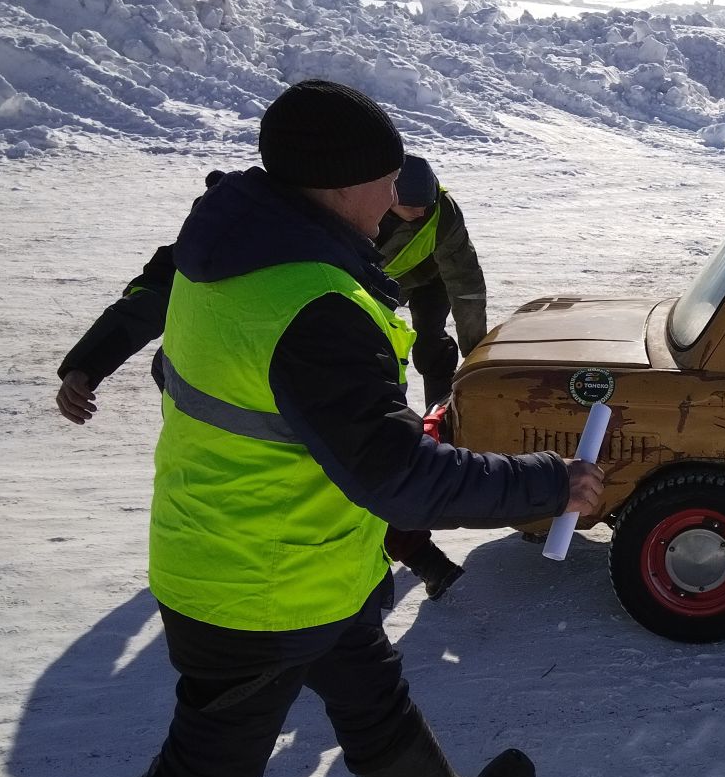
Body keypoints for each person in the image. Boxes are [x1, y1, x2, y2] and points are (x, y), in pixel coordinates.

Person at [19, 80, 606, 777]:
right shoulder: (316, 303)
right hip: (255, 585)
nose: (395, 200)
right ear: (340, 186)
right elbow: (399, 476)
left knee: (369, 684)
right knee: (204, 774)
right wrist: (545, 483)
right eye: (385, 181)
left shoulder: (235, 233)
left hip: (287, 554)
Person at [55, 172, 470, 602]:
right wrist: (88, 363)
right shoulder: (233, 238)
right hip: (222, 399)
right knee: (280, 489)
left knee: (336, 476)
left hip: (283, 388)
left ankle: (406, 560)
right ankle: (401, 563)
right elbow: (151, 295)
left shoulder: (309, 235)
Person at [376, 154, 487, 410]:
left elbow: (466, 283)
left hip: (431, 278)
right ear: (389, 195)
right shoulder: (360, 203)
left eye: (426, 203)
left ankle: (439, 408)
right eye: (413, 205)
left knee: (430, 343)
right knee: (372, 345)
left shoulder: (443, 212)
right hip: (375, 284)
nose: (422, 211)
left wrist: (476, 354)